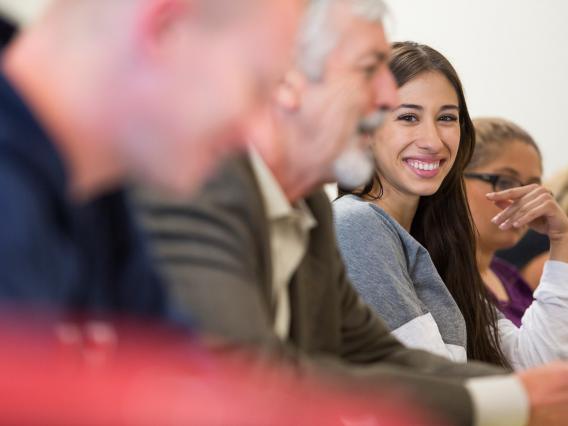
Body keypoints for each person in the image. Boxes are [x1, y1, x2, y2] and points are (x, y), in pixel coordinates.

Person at [137, 6, 568, 426]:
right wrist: (514, 400)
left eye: (447, 118)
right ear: (289, 82)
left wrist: (526, 395)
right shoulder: (201, 189)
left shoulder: (311, 211)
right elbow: (250, 373)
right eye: (368, 71)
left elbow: (377, 354)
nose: (382, 99)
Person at [0, 0, 303, 315]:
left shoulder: (100, 200)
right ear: (165, 30)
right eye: (257, 87)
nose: (260, 138)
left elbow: (176, 358)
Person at [334, 42, 568, 372]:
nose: (432, 140)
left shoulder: (436, 250)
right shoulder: (356, 225)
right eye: (408, 117)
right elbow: (427, 389)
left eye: (446, 117)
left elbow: (534, 367)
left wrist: (562, 242)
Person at [464, 118, 566, 326]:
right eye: (505, 182)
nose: (523, 199)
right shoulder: (440, 277)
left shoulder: (507, 276)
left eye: (532, 188)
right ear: (455, 180)